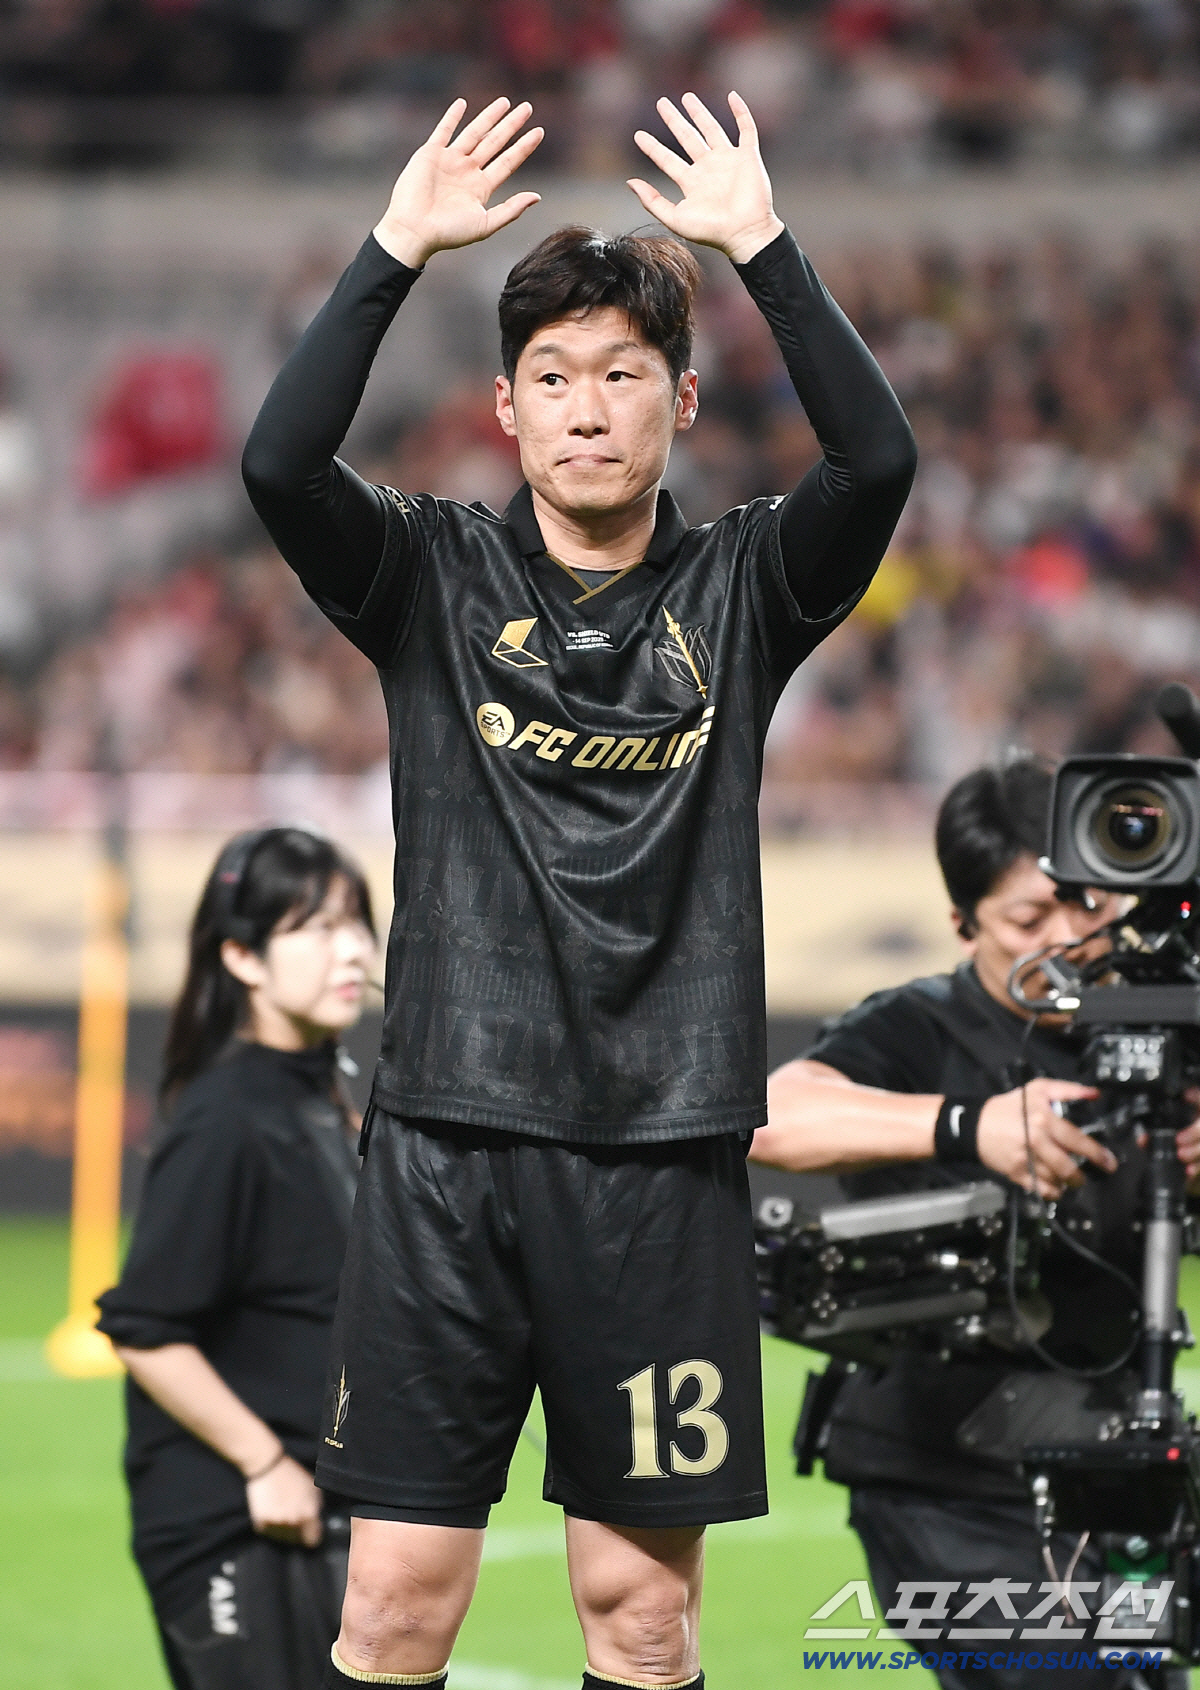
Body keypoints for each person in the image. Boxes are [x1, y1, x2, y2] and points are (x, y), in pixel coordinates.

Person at [241, 89, 916, 1690]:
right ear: (506, 410)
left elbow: (879, 456)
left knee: (643, 1614)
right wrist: (397, 245)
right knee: (392, 1606)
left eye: (622, 374)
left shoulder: (745, 586)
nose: (588, 408)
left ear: (681, 398)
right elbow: (278, 460)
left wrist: (760, 245)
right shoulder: (431, 575)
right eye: (553, 376)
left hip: (662, 1158)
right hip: (445, 1145)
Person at [750, 757, 1200, 1690]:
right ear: (963, 923)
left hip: (1119, 1465)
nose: (1069, 938)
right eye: (1029, 920)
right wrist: (967, 1125)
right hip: (945, 1480)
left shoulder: (1163, 1025)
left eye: (1089, 906)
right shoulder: (918, 1026)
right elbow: (771, 1116)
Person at [96, 826, 378, 1690]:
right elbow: (144, 1329)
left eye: (358, 924)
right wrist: (262, 1461)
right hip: (235, 1517)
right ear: (242, 958)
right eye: (318, 928)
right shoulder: (227, 1116)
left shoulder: (321, 1095)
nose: (353, 950)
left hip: (316, 1508)